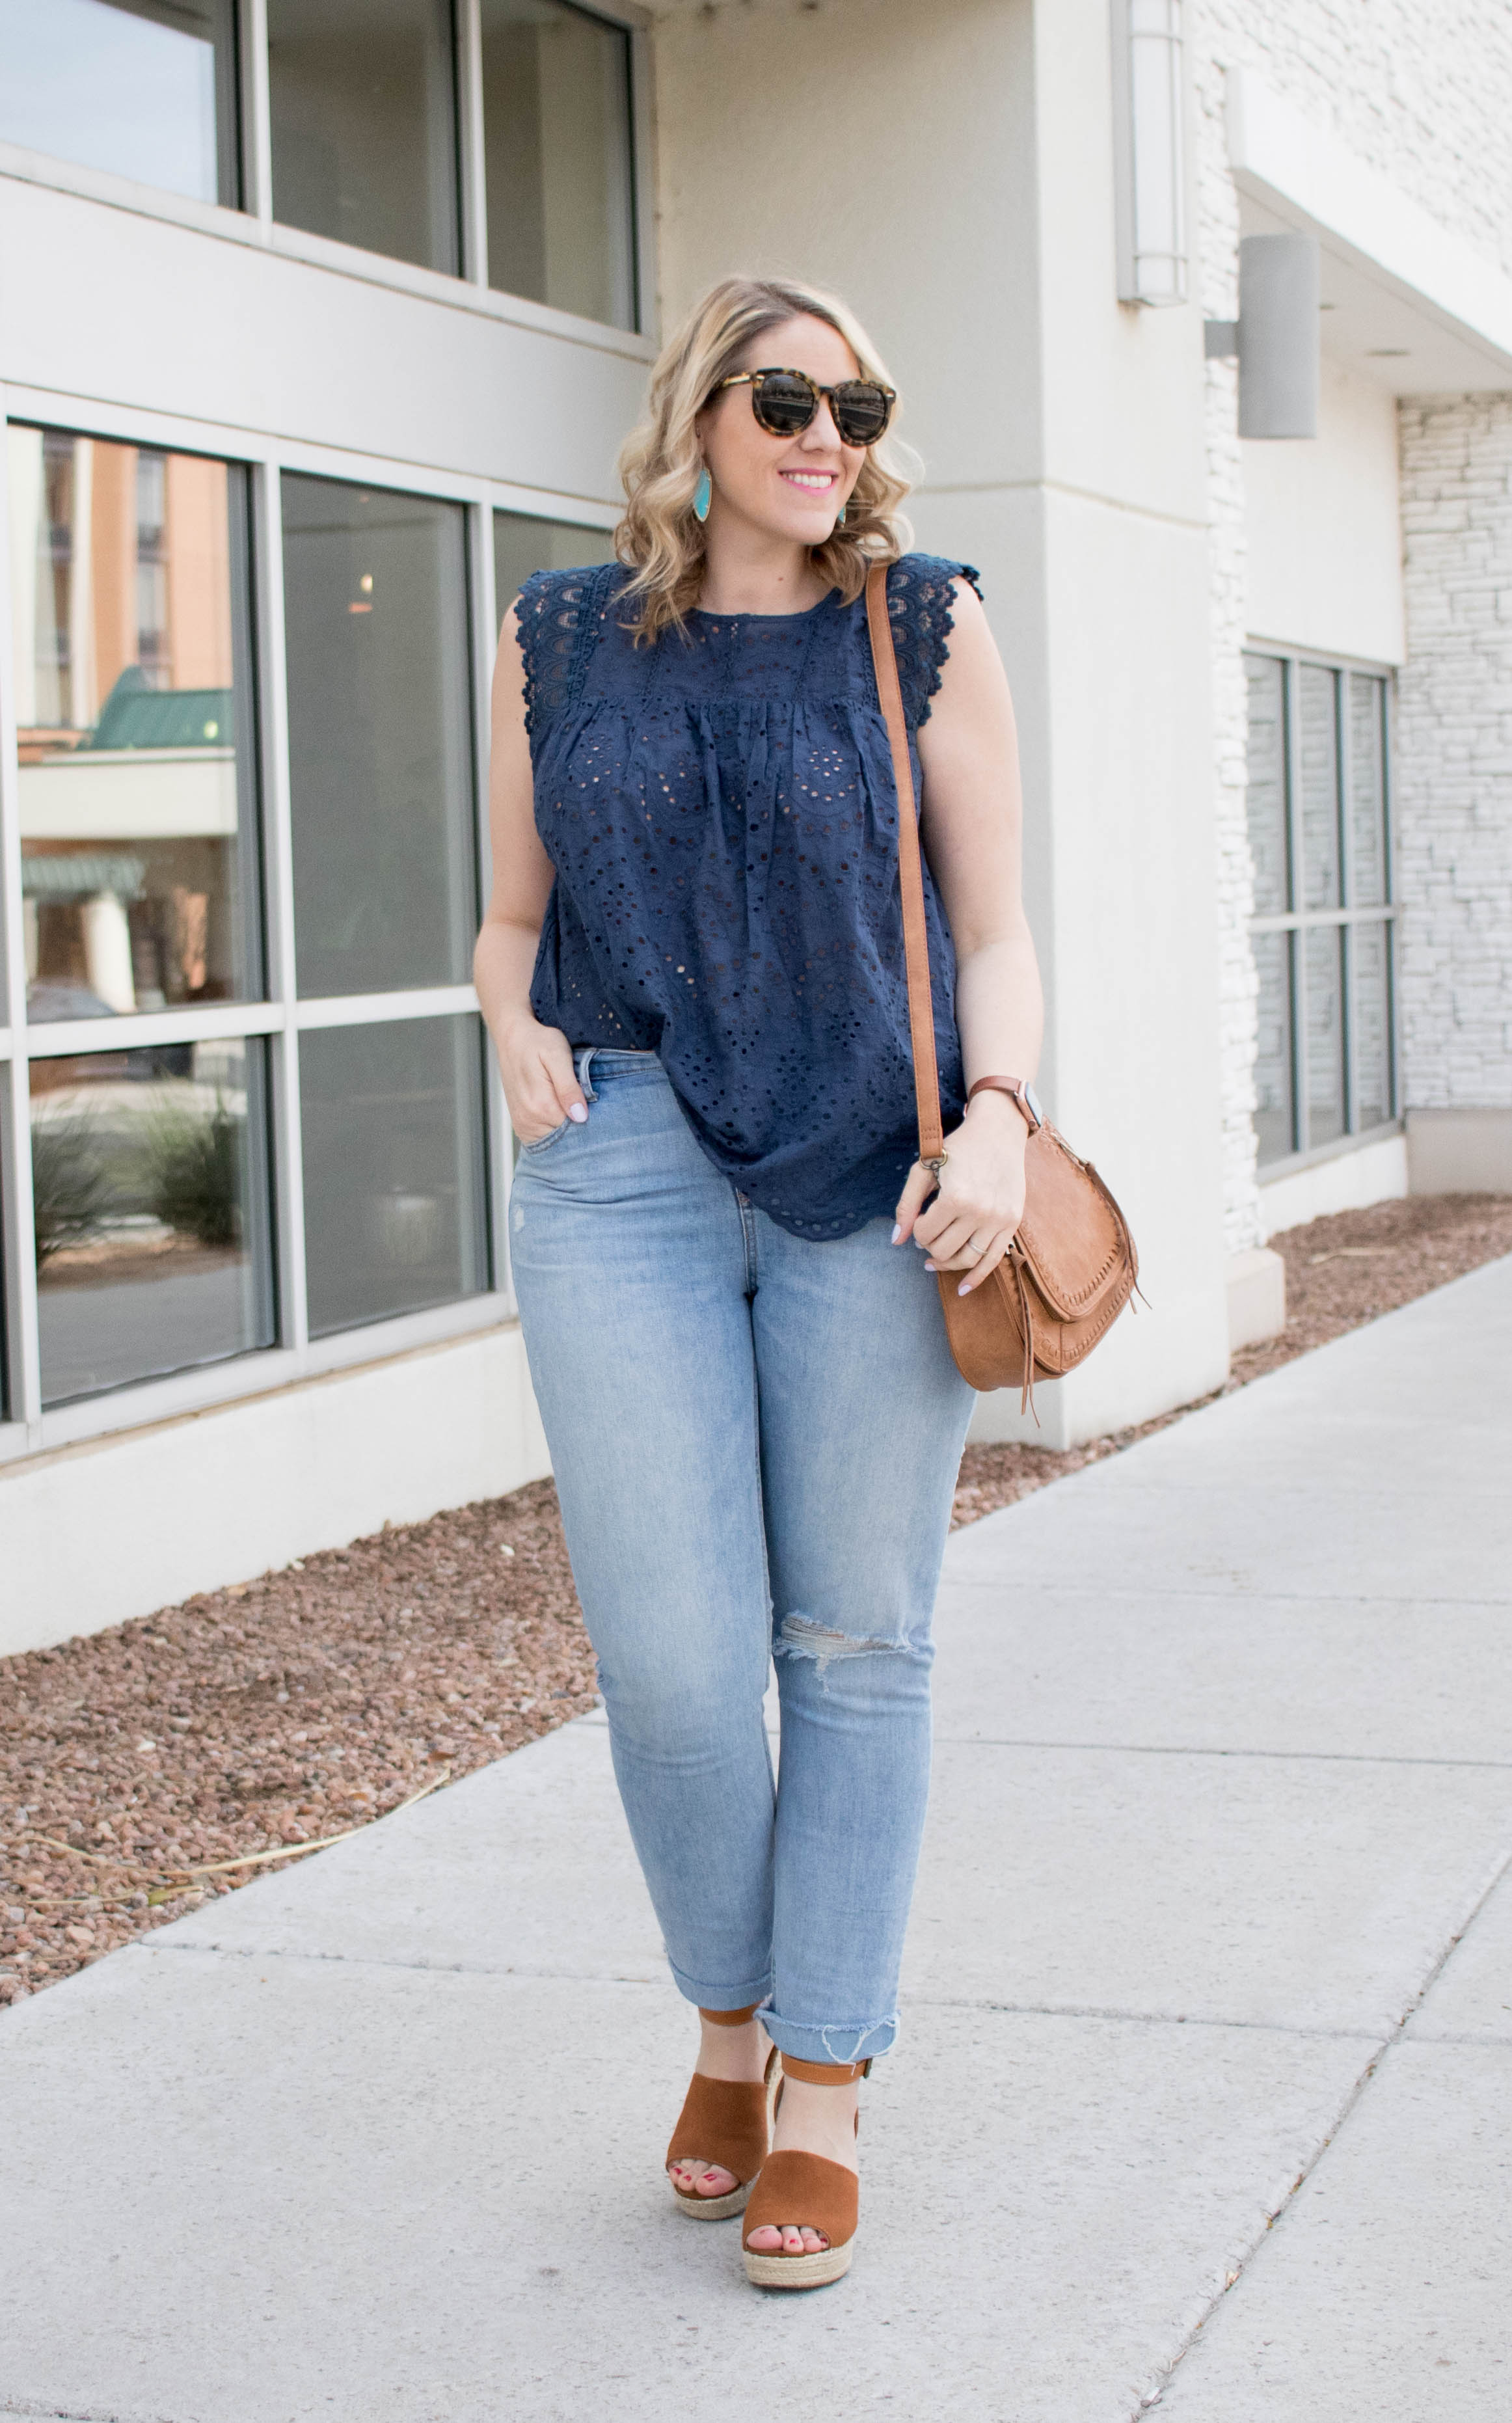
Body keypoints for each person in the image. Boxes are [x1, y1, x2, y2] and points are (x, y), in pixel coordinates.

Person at [474, 274, 1042, 2290]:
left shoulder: (922, 622)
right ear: (699, 413)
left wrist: (1000, 1113)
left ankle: (814, 2075)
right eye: (787, 395)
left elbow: (996, 921)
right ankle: (722, 2010)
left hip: (877, 1175)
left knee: (854, 1642)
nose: (829, 435)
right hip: (613, 1155)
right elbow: (509, 911)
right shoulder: (557, 636)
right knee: (676, 1662)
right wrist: (504, 1020)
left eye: (860, 403)